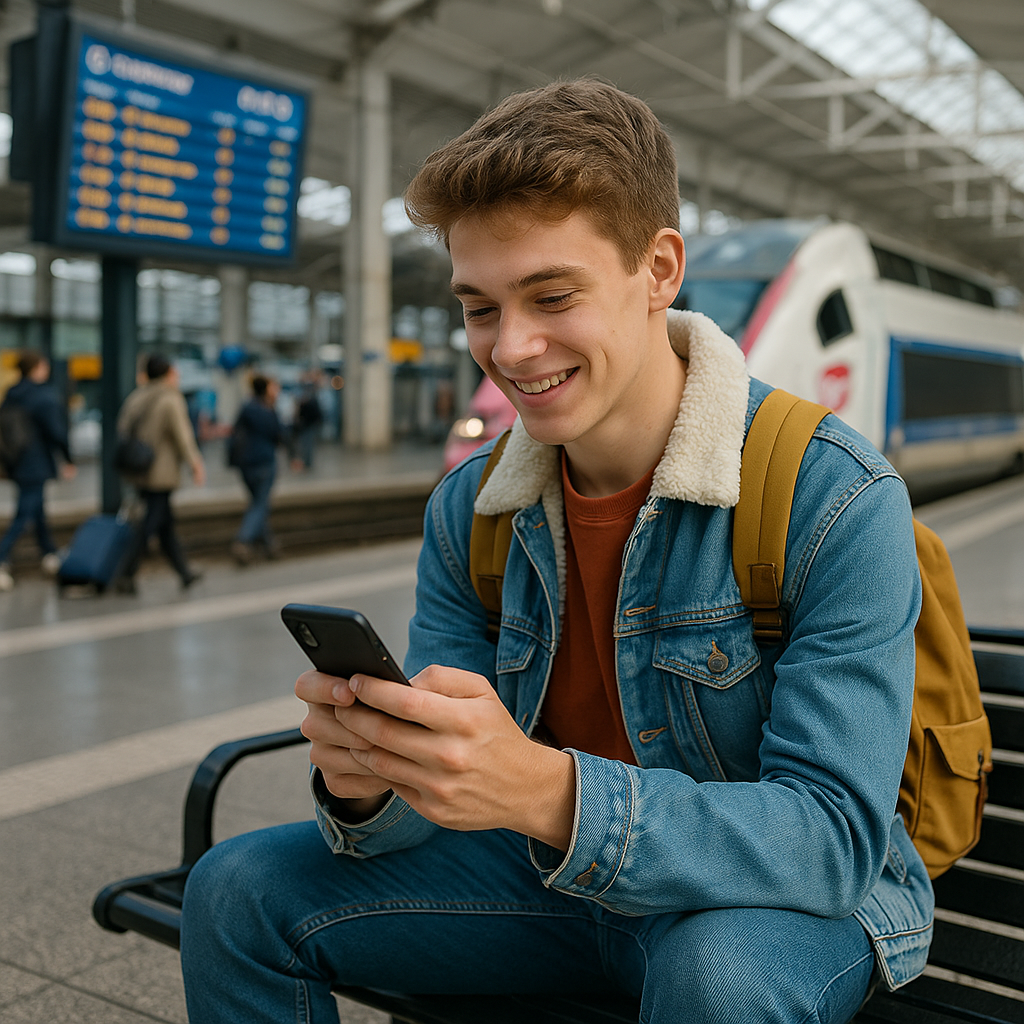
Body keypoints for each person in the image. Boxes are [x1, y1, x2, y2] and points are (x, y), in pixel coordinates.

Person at [180, 80, 932, 1023]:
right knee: (237, 889)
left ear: (659, 269)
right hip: (549, 881)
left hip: (762, 906)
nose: (512, 347)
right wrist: (371, 784)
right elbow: (446, 790)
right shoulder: (475, 508)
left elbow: (829, 843)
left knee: (718, 978)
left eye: (551, 295)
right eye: (480, 308)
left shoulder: (832, 496)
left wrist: (552, 793)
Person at [116, 353, 205, 593]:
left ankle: (184, 572)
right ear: (167, 373)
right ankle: (125, 572)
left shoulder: (138, 396)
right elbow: (182, 435)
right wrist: (195, 463)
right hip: (161, 471)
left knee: (164, 524)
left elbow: (122, 428)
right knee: (151, 523)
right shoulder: (170, 399)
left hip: (140, 468)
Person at [0, 352, 76, 591]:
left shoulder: (11, 395)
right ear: (37, 369)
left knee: (37, 510)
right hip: (36, 462)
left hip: (16, 460)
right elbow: (56, 431)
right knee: (25, 513)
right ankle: (1, 557)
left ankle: (49, 554)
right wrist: (67, 458)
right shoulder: (43, 396)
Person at [230, 373, 284, 565]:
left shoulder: (246, 408)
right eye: (274, 387)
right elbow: (279, 434)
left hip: (245, 464)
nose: (277, 391)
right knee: (260, 504)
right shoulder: (268, 410)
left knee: (257, 502)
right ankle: (243, 541)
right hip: (264, 462)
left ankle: (270, 545)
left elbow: (234, 433)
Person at [290, 369, 324, 472]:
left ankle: (307, 462)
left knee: (307, 443)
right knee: (306, 443)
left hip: (308, 422)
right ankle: (306, 462)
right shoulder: (310, 392)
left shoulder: (308, 394)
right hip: (307, 422)